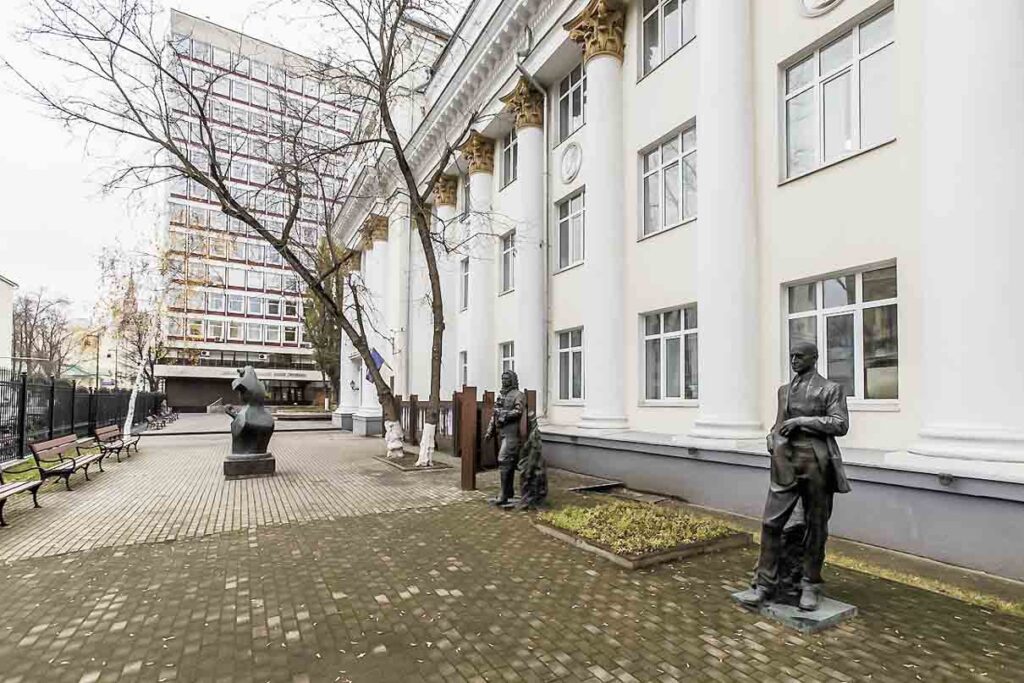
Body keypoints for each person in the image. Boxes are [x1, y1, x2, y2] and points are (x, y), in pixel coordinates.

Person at [741, 341, 851, 611]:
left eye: (799, 356)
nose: (793, 360)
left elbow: (840, 424)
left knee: (815, 527)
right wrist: (771, 436)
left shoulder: (830, 389)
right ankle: (765, 585)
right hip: (786, 462)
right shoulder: (784, 391)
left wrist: (802, 421)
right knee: (771, 523)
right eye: (791, 356)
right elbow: (779, 424)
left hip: (817, 463)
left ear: (814, 358)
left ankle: (809, 584)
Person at [484, 370, 525, 507]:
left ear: (512, 380)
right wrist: (490, 431)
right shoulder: (501, 395)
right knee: (508, 463)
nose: (504, 381)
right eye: (502, 379)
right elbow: (494, 414)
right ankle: (508, 492)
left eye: (507, 379)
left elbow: (518, 411)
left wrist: (503, 414)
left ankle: (503, 494)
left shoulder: (518, 395)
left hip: (512, 434)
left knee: (503, 460)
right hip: (502, 433)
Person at [515, 411, 547, 510]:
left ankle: (530, 501)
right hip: (532, 459)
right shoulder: (532, 432)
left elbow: (535, 451)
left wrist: (530, 466)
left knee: (529, 477)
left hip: (535, 461)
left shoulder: (535, 434)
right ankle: (528, 500)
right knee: (527, 477)